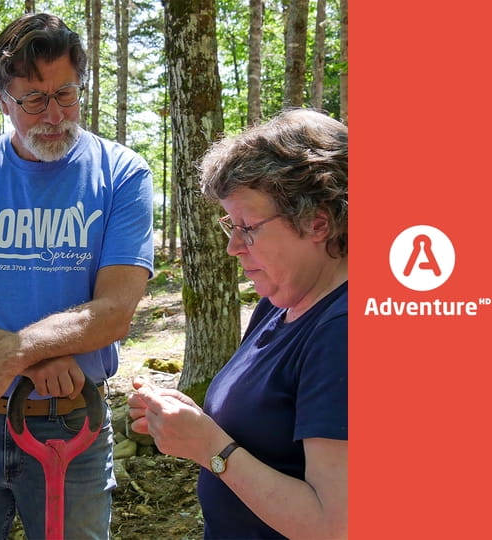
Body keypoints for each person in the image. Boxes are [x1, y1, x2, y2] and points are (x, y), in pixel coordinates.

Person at [0, 12, 154, 540]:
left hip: (72, 422)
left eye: (66, 94)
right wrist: (27, 359)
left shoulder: (122, 174)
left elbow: (114, 312)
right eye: (34, 100)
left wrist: (11, 358)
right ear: (3, 101)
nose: (54, 115)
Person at [128, 108, 348, 539]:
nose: (233, 246)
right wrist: (189, 422)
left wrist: (210, 448)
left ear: (317, 223)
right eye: (231, 225)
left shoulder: (343, 333)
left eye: (247, 227)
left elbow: (333, 526)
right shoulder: (280, 303)